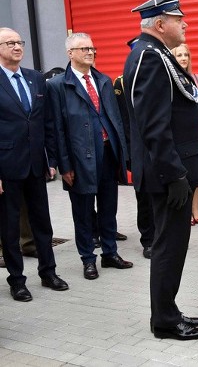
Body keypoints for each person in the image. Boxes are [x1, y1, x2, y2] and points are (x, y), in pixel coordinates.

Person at [124, 0, 198, 340]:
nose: (185, 23)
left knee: (173, 244)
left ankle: (169, 310)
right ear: (161, 25)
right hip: (169, 172)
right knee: (168, 245)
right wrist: (175, 173)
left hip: (173, 167)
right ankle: (163, 320)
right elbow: (153, 125)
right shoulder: (149, 58)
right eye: (179, 19)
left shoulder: (155, 53)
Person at [47, 33, 133, 280]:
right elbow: (57, 129)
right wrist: (64, 165)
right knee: (83, 213)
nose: (89, 52)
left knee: (108, 207)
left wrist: (123, 154)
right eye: (83, 48)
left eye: (92, 48)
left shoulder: (103, 80)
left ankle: (110, 253)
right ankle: (88, 259)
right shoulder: (57, 85)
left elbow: (116, 119)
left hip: (107, 153)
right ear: (69, 54)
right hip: (79, 159)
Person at [0, 27, 69, 301]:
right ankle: (17, 280)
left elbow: (47, 123)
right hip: (6, 167)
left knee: (42, 222)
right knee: (10, 226)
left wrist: (51, 159)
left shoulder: (35, 79)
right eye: (10, 43)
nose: (17, 47)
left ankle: (48, 272)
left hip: (36, 165)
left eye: (20, 42)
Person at [113, 37, 155, 259]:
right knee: (144, 198)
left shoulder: (160, 76)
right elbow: (123, 121)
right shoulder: (121, 83)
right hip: (138, 150)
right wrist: (128, 153)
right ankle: (148, 240)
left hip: (160, 148)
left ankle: (164, 238)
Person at [171, 43, 198, 225]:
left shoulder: (197, 78)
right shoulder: (171, 80)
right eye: (179, 55)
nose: (183, 58)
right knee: (185, 175)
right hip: (180, 136)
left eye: (186, 55)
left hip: (197, 134)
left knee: (197, 175)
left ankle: (195, 209)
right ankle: (185, 212)